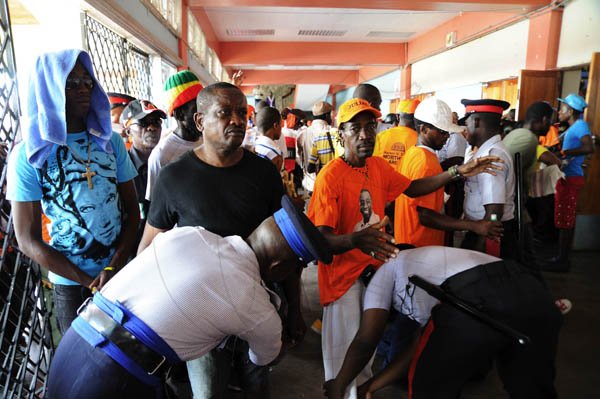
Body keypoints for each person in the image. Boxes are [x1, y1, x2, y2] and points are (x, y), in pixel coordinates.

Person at [308, 97, 503, 398]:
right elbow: (319, 239)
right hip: (342, 280)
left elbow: (411, 188)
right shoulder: (330, 177)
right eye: (355, 128)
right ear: (340, 134)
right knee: (342, 354)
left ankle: (358, 392)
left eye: (370, 126)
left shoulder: (376, 166)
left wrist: (458, 172)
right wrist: (355, 240)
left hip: (373, 271)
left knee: (365, 354)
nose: (365, 135)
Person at [46, 195, 333, 399]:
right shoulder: (254, 303)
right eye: (295, 268)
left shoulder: (191, 234)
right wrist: (284, 341)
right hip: (115, 376)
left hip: (76, 338)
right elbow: (265, 356)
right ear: (279, 268)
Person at [138, 82, 295, 399]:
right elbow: (148, 250)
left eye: (242, 113)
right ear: (200, 121)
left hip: (257, 303)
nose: (237, 120)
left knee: (257, 387)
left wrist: (295, 309)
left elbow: (287, 241)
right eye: (225, 113)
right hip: (201, 315)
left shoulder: (263, 173)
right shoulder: (174, 177)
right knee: (208, 392)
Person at [6, 49, 139, 335]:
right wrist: (86, 280)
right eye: (71, 83)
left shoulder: (109, 142)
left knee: (129, 360)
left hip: (121, 275)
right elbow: (27, 238)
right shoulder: (30, 154)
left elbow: (132, 211)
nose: (83, 90)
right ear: (49, 87)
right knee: (79, 367)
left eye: (87, 81)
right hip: (70, 284)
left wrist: (113, 269)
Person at [323, 246, 562, 399]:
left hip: (472, 293)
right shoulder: (436, 262)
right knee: (532, 389)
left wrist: (339, 383)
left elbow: (366, 340)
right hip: (531, 290)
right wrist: (370, 387)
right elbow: (418, 349)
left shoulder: (385, 271)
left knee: (429, 390)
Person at [395, 97, 503, 248]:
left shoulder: (413, 153)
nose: (446, 137)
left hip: (410, 239)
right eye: (441, 132)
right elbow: (425, 215)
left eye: (447, 132)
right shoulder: (425, 162)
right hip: (421, 243)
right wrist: (474, 226)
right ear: (424, 129)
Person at [460, 99, 517, 259]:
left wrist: (482, 244)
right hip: (483, 229)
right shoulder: (486, 151)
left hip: (489, 233)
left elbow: (494, 210)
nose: (465, 130)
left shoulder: (492, 155)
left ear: (477, 122)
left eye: (467, 124)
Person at [542, 94, 593, 271]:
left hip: (571, 178)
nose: (559, 112)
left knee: (566, 219)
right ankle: (560, 257)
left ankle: (562, 260)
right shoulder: (572, 128)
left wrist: (565, 153)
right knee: (563, 218)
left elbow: (589, 147)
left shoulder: (580, 126)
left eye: (562, 108)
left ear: (570, 111)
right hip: (566, 177)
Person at [145, 70, 203, 201]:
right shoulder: (161, 156)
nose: (202, 116)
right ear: (179, 115)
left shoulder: (209, 141)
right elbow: (156, 207)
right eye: (196, 110)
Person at [120, 99, 166, 247]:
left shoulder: (169, 163)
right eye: (143, 123)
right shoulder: (119, 170)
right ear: (128, 131)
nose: (152, 127)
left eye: (156, 122)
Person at [373, 99, 419, 169]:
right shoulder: (419, 140)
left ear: (397, 116)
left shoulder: (381, 136)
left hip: (382, 178)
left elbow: (372, 162)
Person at [306, 101, 342, 176]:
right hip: (331, 177)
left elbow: (301, 159)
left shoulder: (302, 134)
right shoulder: (334, 132)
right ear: (326, 116)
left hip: (309, 182)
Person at [254, 107, 284, 171]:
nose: (281, 128)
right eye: (280, 125)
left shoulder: (253, 147)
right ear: (275, 126)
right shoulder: (275, 155)